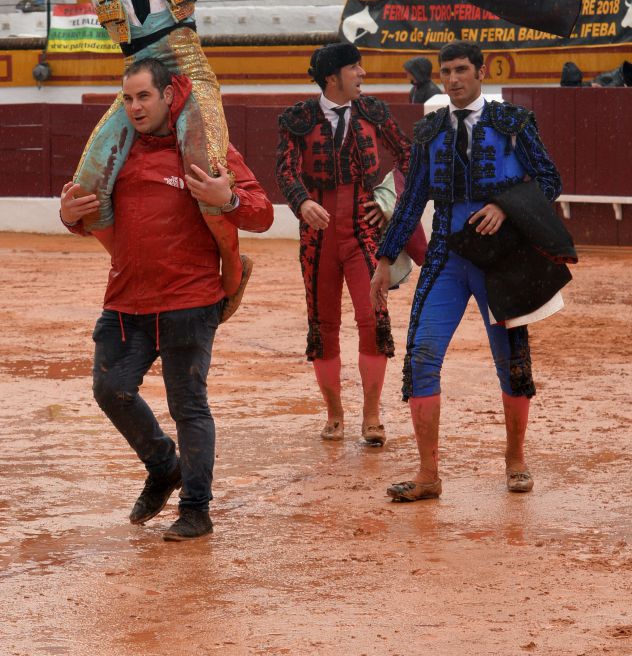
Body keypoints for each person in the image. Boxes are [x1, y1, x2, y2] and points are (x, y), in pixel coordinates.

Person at [0, 0, 313, 314]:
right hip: (138, 75)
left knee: (207, 174)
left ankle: (229, 273)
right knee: (87, 187)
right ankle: (129, 262)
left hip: (188, 67)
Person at [60, 58, 274, 540]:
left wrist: (228, 199)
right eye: (127, 98)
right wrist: (69, 214)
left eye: (144, 97)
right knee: (109, 388)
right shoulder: (116, 148)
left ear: (167, 95)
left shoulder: (204, 147)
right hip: (125, 300)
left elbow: (261, 215)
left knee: (189, 406)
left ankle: (196, 508)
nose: (135, 107)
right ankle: (163, 466)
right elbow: (86, 212)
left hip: (190, 300)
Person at [370, 41, 562, 501]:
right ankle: (427, 474)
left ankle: (516, 459)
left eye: (461, 70)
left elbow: (550, 180)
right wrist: (384, 260)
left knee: (511, 362)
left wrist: (504, 205)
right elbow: (413, 199)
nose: (453, 79)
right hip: (447, 256)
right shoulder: (430, 131)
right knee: (420, 357)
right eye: (447, 71)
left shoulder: (512, 122)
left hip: (502, 257)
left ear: (480, 72)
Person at [276, 44, 413, 444]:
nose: (363, 74)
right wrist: (302, 202)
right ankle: (334, 412)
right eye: (356, 67)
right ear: (333, 76)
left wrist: (387, 202)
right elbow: (284, 170)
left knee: (374, 321)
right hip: (317, 239)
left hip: (363, 234)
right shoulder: (298, 118)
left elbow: (408, 156)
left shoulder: (374, 112)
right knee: (323, 326)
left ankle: (371, 415)